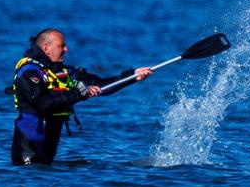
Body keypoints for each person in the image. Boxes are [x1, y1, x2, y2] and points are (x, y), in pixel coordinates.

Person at [10, 28, 152, 165]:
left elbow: (101, 85)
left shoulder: (66, 73)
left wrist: (132, 76)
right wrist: (79, 94)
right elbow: (44, 104)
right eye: (61, 46)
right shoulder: (29, 72)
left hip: (48, 152)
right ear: (46, 48)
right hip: (27, 152)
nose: (66, 49)